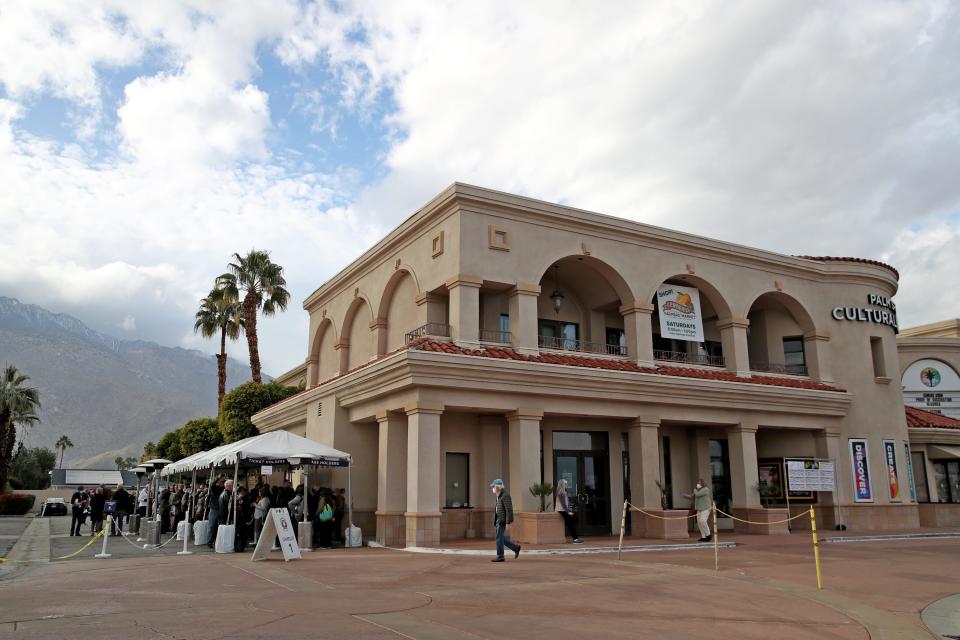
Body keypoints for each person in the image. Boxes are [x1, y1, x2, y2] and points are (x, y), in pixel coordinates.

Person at [490, 479, 520, 562]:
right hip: (498, 520)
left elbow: (509, 510)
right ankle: (515, 548)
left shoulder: (505, 495)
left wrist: (508, 522)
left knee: (499, 538)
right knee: (500, 538)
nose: (492, 488)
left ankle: (500, 556)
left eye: (493, 486)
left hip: (502, 520)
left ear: (498, 487)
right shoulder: (499, 495)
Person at [683, 478, 714, 542]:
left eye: (699, 483)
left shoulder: (706, 489)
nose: (698, 484)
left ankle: (708, 535)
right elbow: (692, 496)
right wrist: (684, 495)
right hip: (699, 509)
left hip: (706, 508)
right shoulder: (697, 490)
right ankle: (703, 537)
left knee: (703, 521)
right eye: (698, 483)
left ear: (702, 483)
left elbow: (697, 494)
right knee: (699, 523)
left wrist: (694, 489)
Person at [553, 479, 583, 544]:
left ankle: (576, 538)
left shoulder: (563, 492)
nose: (567, 485)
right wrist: (568, 512)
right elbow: (563, 504)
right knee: (571, 523)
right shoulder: (561, 493)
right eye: (566, 484)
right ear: (562, 485)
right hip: (562, 510)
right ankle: (575, 539)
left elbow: (566, 503)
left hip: (564, 510)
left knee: (571, 523)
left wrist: (569, 510)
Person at [206, 475, 225, 548]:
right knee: (211, 526)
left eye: (223, 481)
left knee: (219, 526)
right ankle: (209, 542)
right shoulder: (215, 488)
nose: (222, 482)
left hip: (221, 509)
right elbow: (211, 485)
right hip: (214, 509)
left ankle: (217, 541)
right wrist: (217, 478)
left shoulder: (224, 489)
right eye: (221, 481)